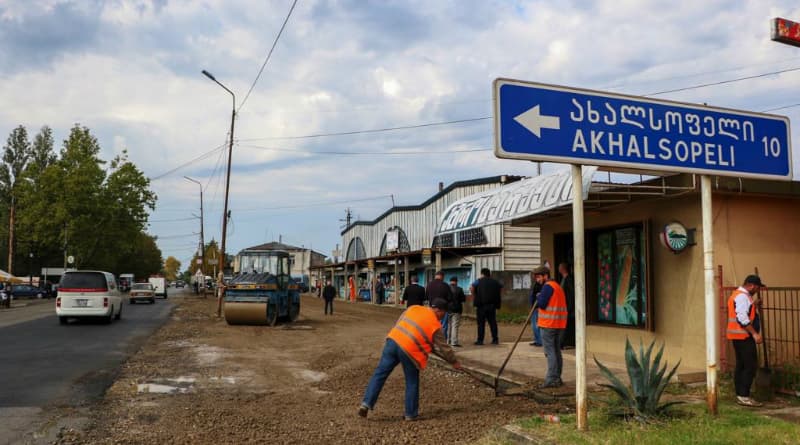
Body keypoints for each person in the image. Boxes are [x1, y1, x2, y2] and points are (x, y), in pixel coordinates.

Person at [358, 299, 461, 420]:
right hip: (410, 351)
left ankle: (366, 403)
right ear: (438, 310)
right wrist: (454, 362)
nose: (443, 316)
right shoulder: (435, 324)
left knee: (379, 374)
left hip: (393, 341)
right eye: (444, 313)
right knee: (412, 381)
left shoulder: (414, 308)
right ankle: (410, 414)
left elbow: (401, 322)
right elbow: (445, 348)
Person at [727, 275, 765, 407]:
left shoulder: (739, 295)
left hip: (738, 336)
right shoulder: (743, 296)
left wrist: (754, 305)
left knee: (741, 365)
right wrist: (755, 334)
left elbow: (744, 310)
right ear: (752, 285)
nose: (758, 290)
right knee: (749, 365)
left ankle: (740, 394)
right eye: (758, 287)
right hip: (744, 335)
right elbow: (742, 317)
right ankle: (744, 396)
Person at [534, 265, 567, 388]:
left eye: (538, 277)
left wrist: (538, 296)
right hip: (559, 324)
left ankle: (551, 379)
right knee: (556, 351)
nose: (537, 280)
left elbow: (542, 304)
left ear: (545, 276)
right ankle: (557, 377)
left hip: (548, 324)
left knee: (550, 352)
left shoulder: (547, 287)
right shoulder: (557, 286)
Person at [471, 268, 503, 345]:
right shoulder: (495, 282)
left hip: (481, 306)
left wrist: (475, 295)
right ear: (489, 274)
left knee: (481, 323)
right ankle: (495, 339)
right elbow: (501, 287)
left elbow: (472, 287)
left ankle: (480, 340)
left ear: (482, 274)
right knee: (493, 323)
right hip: (492, 306)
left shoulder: (478, 281)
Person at [425, 271, 453, 340]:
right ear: (442, 276)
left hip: (432, 308)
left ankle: (432, 341)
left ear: (436, 276)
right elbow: (450, 298)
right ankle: (442, 342)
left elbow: (426, 297)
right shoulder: (445, 285)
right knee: (443, 326)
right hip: (443, 309)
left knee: (432, 326)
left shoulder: (429, 285)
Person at [558, 262, 575, 349]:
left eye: (560, 267)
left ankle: (562, 343)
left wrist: (569, 307)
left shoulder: (568, 280)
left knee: (564, 326)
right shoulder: (563, 279)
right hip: (563, 307)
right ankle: (562, 342)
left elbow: (572, 294)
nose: (558, 268)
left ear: (563, 269)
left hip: (567, 308)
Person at [448, 276, 466, 347]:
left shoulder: (447, 289)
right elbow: (463, 299)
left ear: (450, 281)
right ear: (456, 281)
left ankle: (448, 340)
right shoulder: (459, 289)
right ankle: (454, 342)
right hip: (457, 309)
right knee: (454, 325)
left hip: (448, 309)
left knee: (449, 325)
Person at [529, 277, 543, 347]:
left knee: (536, 325)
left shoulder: (541, 285)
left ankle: (539, 341)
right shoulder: (536, 285)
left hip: (537, 307)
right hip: (534, 307)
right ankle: (537, 340)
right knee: (534, 325)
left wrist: (537, 307)